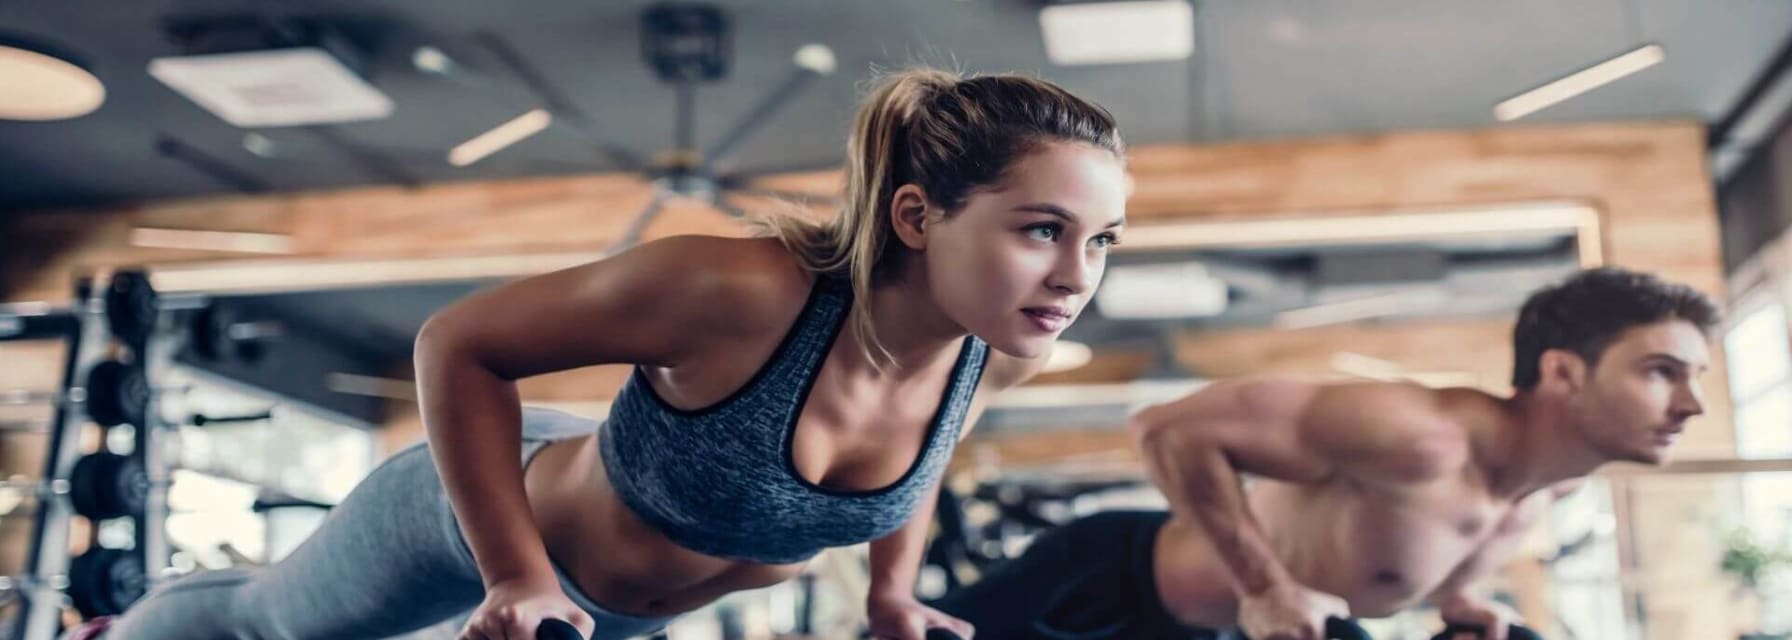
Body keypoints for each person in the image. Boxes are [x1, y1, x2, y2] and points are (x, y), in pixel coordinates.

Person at [96, 67, 1129, 640]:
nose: (1075, 274)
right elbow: (458, 343)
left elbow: (927, 457)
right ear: (916, 215)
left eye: (1100, 241)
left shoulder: (1000, 353)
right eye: (1040, 229)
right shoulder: (736, 291)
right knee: (274, 627)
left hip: (609, 618)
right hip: (486, 528)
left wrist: (892, 593)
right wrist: (513, 576)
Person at [931, 267, 1720, 640]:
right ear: (1563, 373)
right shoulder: (1419, 434)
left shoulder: (1542, 497)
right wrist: (1266, 587)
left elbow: (1404, 550)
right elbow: (1167, 427)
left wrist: (1456, 602)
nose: (1692, 404)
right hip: (1108, 588)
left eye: (1697, 378)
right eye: (1661, 372)